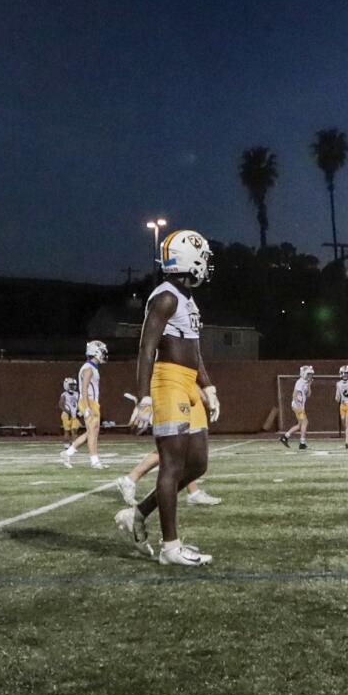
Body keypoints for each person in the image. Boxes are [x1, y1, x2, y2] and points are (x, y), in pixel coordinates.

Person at [115, 229, 220, 566]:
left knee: (198, 463)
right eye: (202, 256)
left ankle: (138, 514)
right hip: (168, 381)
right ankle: (170, 548)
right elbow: (146, 349)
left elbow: (193, 348)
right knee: (172, 464)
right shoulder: (165, 297)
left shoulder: (186, 298)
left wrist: (207, 386)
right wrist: (143, 398)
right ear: (188, 259)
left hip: (187, 382)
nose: (206, 264)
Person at [62, 340, 106, 469]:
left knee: (92, 431)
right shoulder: (88, 368)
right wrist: (86, 407)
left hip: (92, 402)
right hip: (89, 402)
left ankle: (68, 452)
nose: (104, 355)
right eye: (102, 352)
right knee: (92, 432)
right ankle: (94, 461)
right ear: (96, 352)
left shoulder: (91, 367)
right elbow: (84, 389)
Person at [279, 364, 314, 450]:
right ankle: (302, 443)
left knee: (300, 424)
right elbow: (294, 394)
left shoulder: (305, 383)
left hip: (300, 406)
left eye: (310, 374)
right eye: (308, 374)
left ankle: (285, 437)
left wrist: (309, 385)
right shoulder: (300, 382)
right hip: (298, 406)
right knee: (305, 422)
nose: (310, 376)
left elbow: (308, 394)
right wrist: (299, 406)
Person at [58, 378, 80, 443]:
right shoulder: (64, 395)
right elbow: (61, 405)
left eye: (74, 385)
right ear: (66, 385)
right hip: (66, 415)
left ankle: (74, 446)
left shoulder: (77, 394)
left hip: (74, 415)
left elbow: (79, 404)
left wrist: (79, 412)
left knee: (74, 430)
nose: (73, 386)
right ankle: (66, 446)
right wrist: (68, 412)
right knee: (67, 431)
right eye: (71, 385)